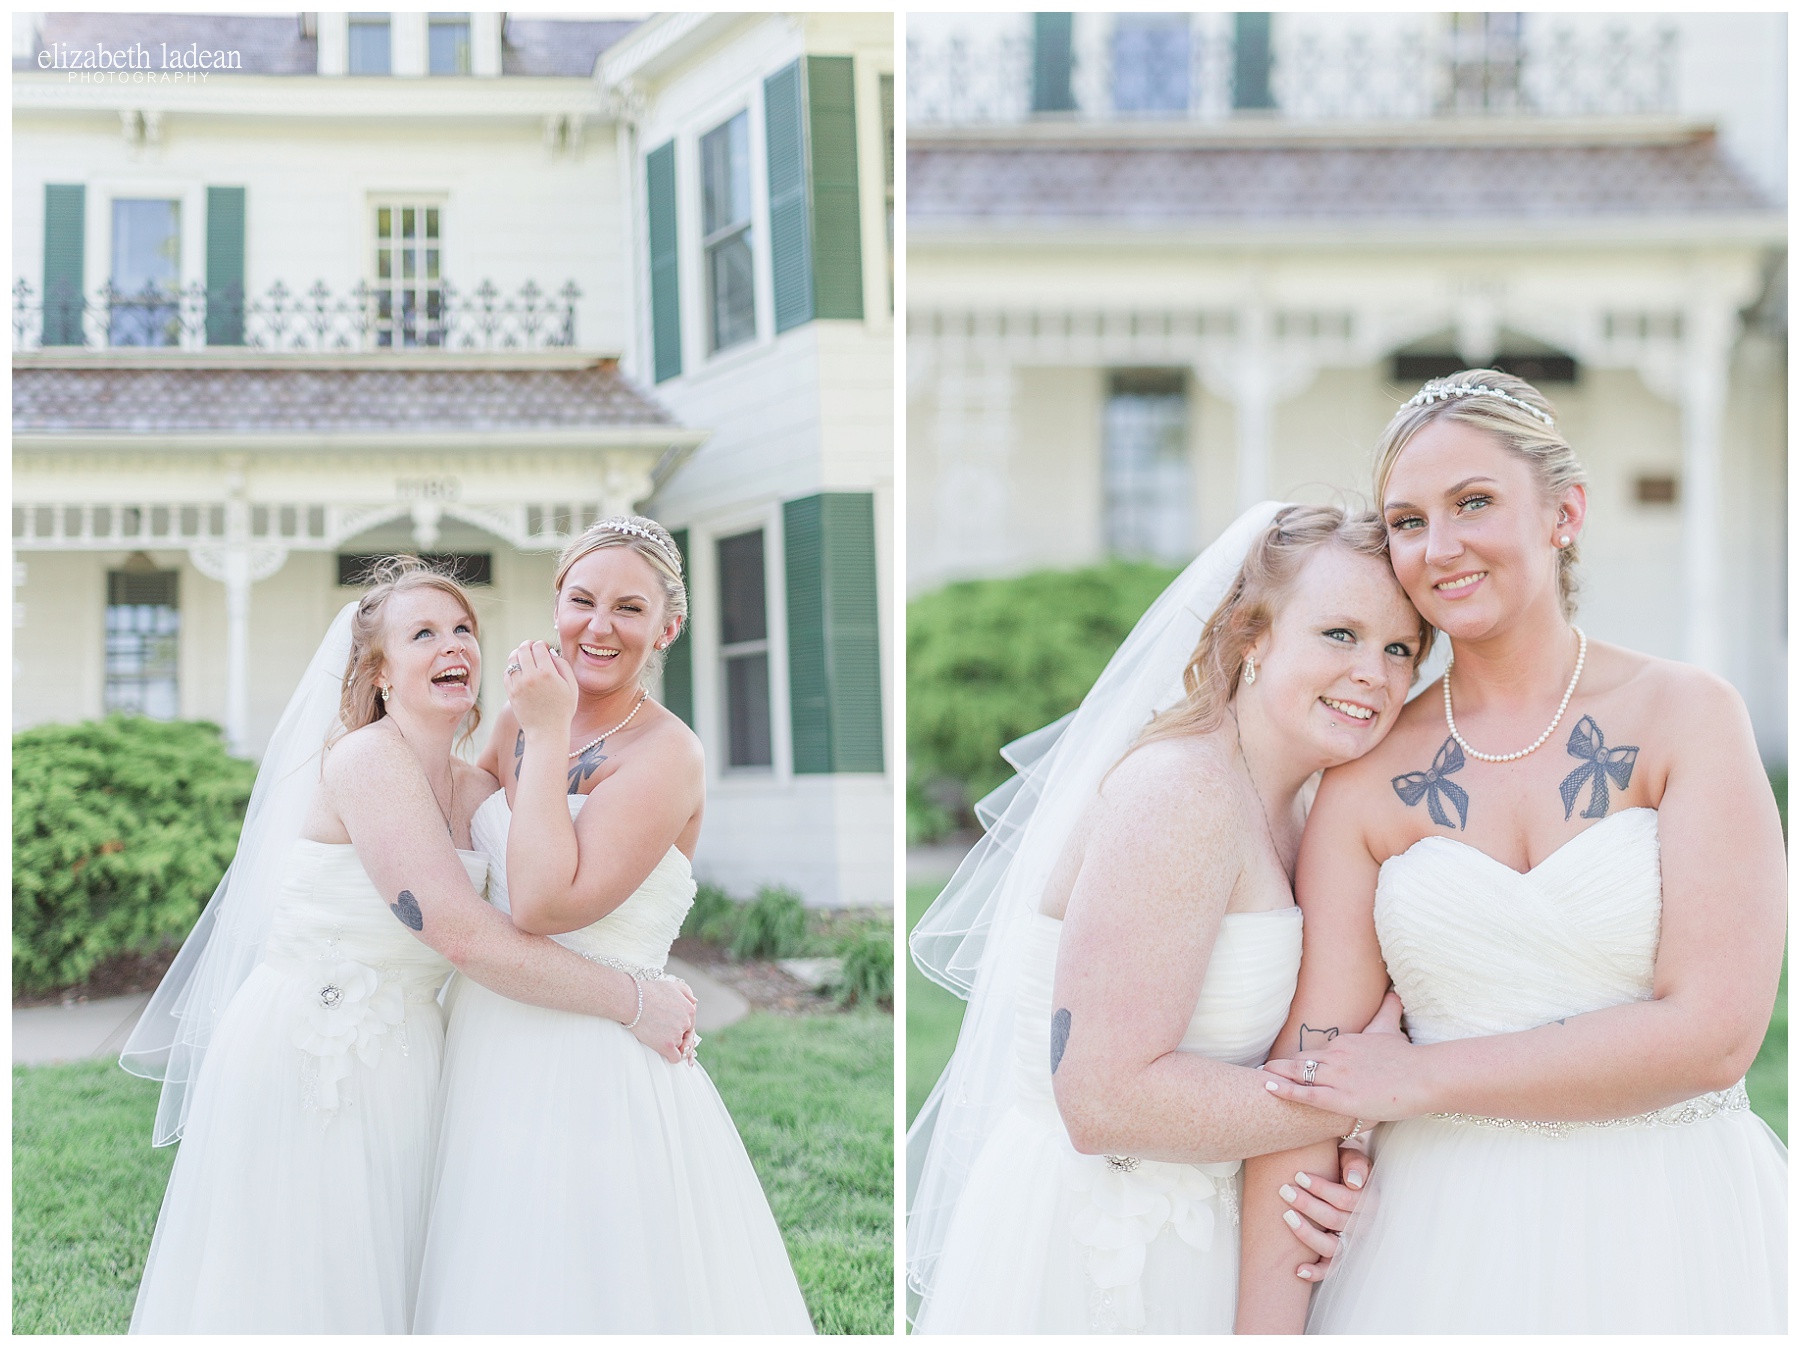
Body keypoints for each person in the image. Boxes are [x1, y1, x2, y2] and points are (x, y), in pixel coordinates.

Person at [1239, 370, 1787, 1334]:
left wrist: (1420, 1078)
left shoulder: (1687, 717)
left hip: (1676, 1226)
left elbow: (1716, 1034)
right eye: (1407, 520)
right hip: (1438, 1239)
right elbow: (1312, 1069)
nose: (1438, 547)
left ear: (1564, 512)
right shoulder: (1369, 774)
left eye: (1474, 503)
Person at [122, 560, 695, 1333]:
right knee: (306, 1286)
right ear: (379, 671)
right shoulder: (365, 760)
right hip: (314, 1052)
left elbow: (545, 877)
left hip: (415, 1058)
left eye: (463, 629)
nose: (452, 644)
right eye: (422, 633)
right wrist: (633, 1001)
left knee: (393, 1282)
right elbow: (464, 934)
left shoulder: (478, 787)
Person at [906, 503, 1434, 1333]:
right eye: (1340, 634)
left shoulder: (1303, 804)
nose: (1374, 670)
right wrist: (1366, 1098)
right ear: (1249, 637)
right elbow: (1103, 1100)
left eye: (1400, 647)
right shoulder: (1181, 793)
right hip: (1110, 1247)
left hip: (1216, 1230)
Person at [414, 516, 814, 1333]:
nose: (598, 627)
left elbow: (541, 902)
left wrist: (549, 727)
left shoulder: (669, 755)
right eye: (581, 600)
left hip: (594, 1058)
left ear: (667, 626)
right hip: (489, 1031)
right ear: (556, 602)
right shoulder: (517, 719)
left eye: (629, 609)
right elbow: (463, 822)